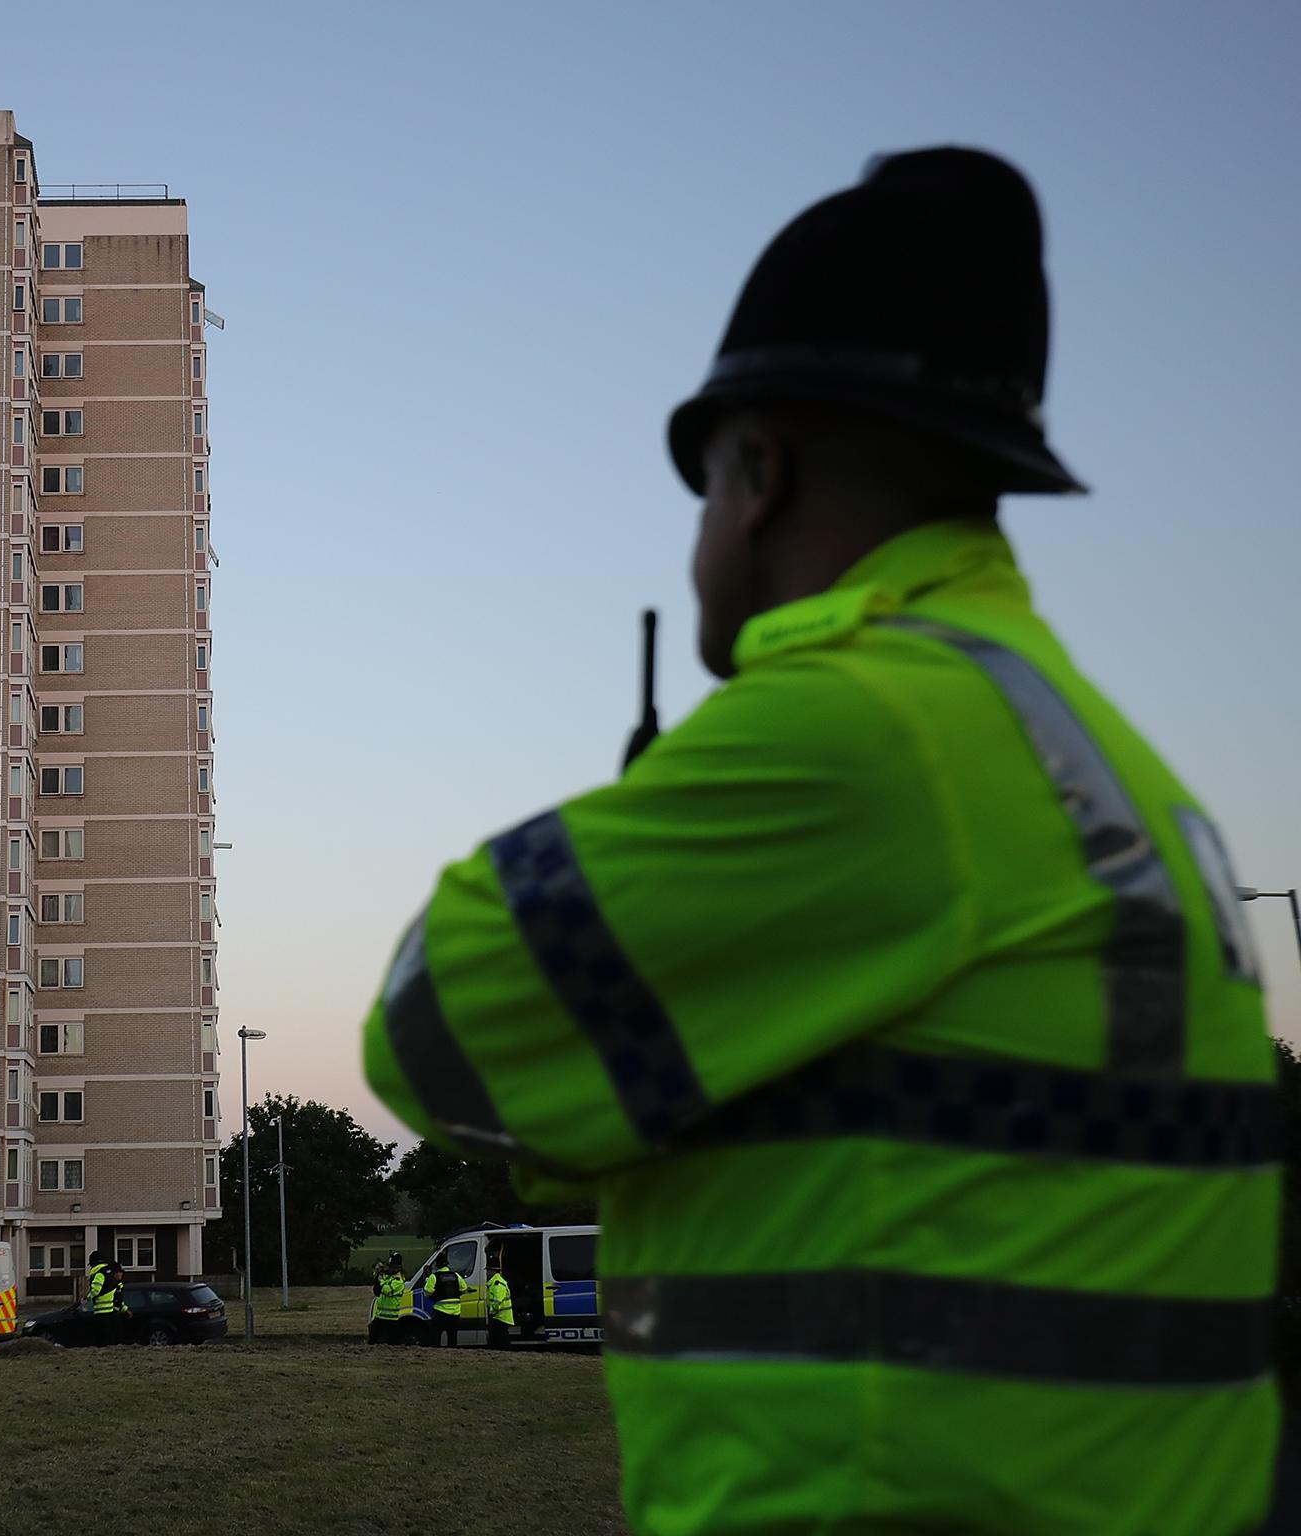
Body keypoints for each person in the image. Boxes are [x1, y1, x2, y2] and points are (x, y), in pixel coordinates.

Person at [360, 147, 1276, 1535]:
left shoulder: (861, 733)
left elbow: (430, 1034)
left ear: (758, 473)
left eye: (704, 492)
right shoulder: (1095, 755)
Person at [368, 1253, 407, 1345]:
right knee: (372, 1341)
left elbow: (387, 1290)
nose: (389, 1268)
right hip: (380, 1316)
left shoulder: (399, 1281)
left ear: (397, 1268)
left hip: (391, 1318)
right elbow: (377, 1278)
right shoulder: (389, 1276)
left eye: (391, 1267)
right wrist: (378, 1271)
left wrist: (381, 1280)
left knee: (393, 1343)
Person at [422, 1261, 463, 1348]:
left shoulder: (434, 1276)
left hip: (440, 1312)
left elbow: (428, 1291)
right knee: (452, 1338)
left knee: (436, 1337)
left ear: (437, 1266)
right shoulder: (456, 1275)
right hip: (455, 1312)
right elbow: (464, 1288)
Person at [484, 1247, 514, 1350]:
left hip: (500, 1317)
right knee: (497, 1339)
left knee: (502, 1340)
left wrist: (492, 1312)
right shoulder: (494, 1282)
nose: (486, 1273)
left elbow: (497, 1301)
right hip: (499, 1317)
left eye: (488, 1270)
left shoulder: (497, 1284)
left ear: (493, 1271)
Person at [80, 1250, 110, 1347]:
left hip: (101, 1310)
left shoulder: (98, 1273)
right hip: (111, 1309)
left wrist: (88, 1297)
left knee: (101, 1337)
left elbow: (96, 1290)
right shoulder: (108, 1271)